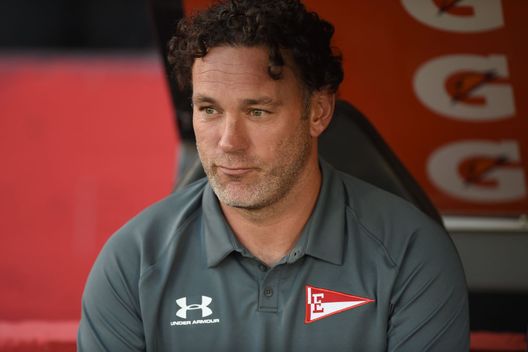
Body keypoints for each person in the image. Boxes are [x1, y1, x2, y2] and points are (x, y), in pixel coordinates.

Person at [77, 0, 470, 350]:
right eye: (209, 110)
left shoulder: (412, 256)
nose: (229, 142)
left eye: (257, 112)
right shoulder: (132, 261)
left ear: (317, 112)